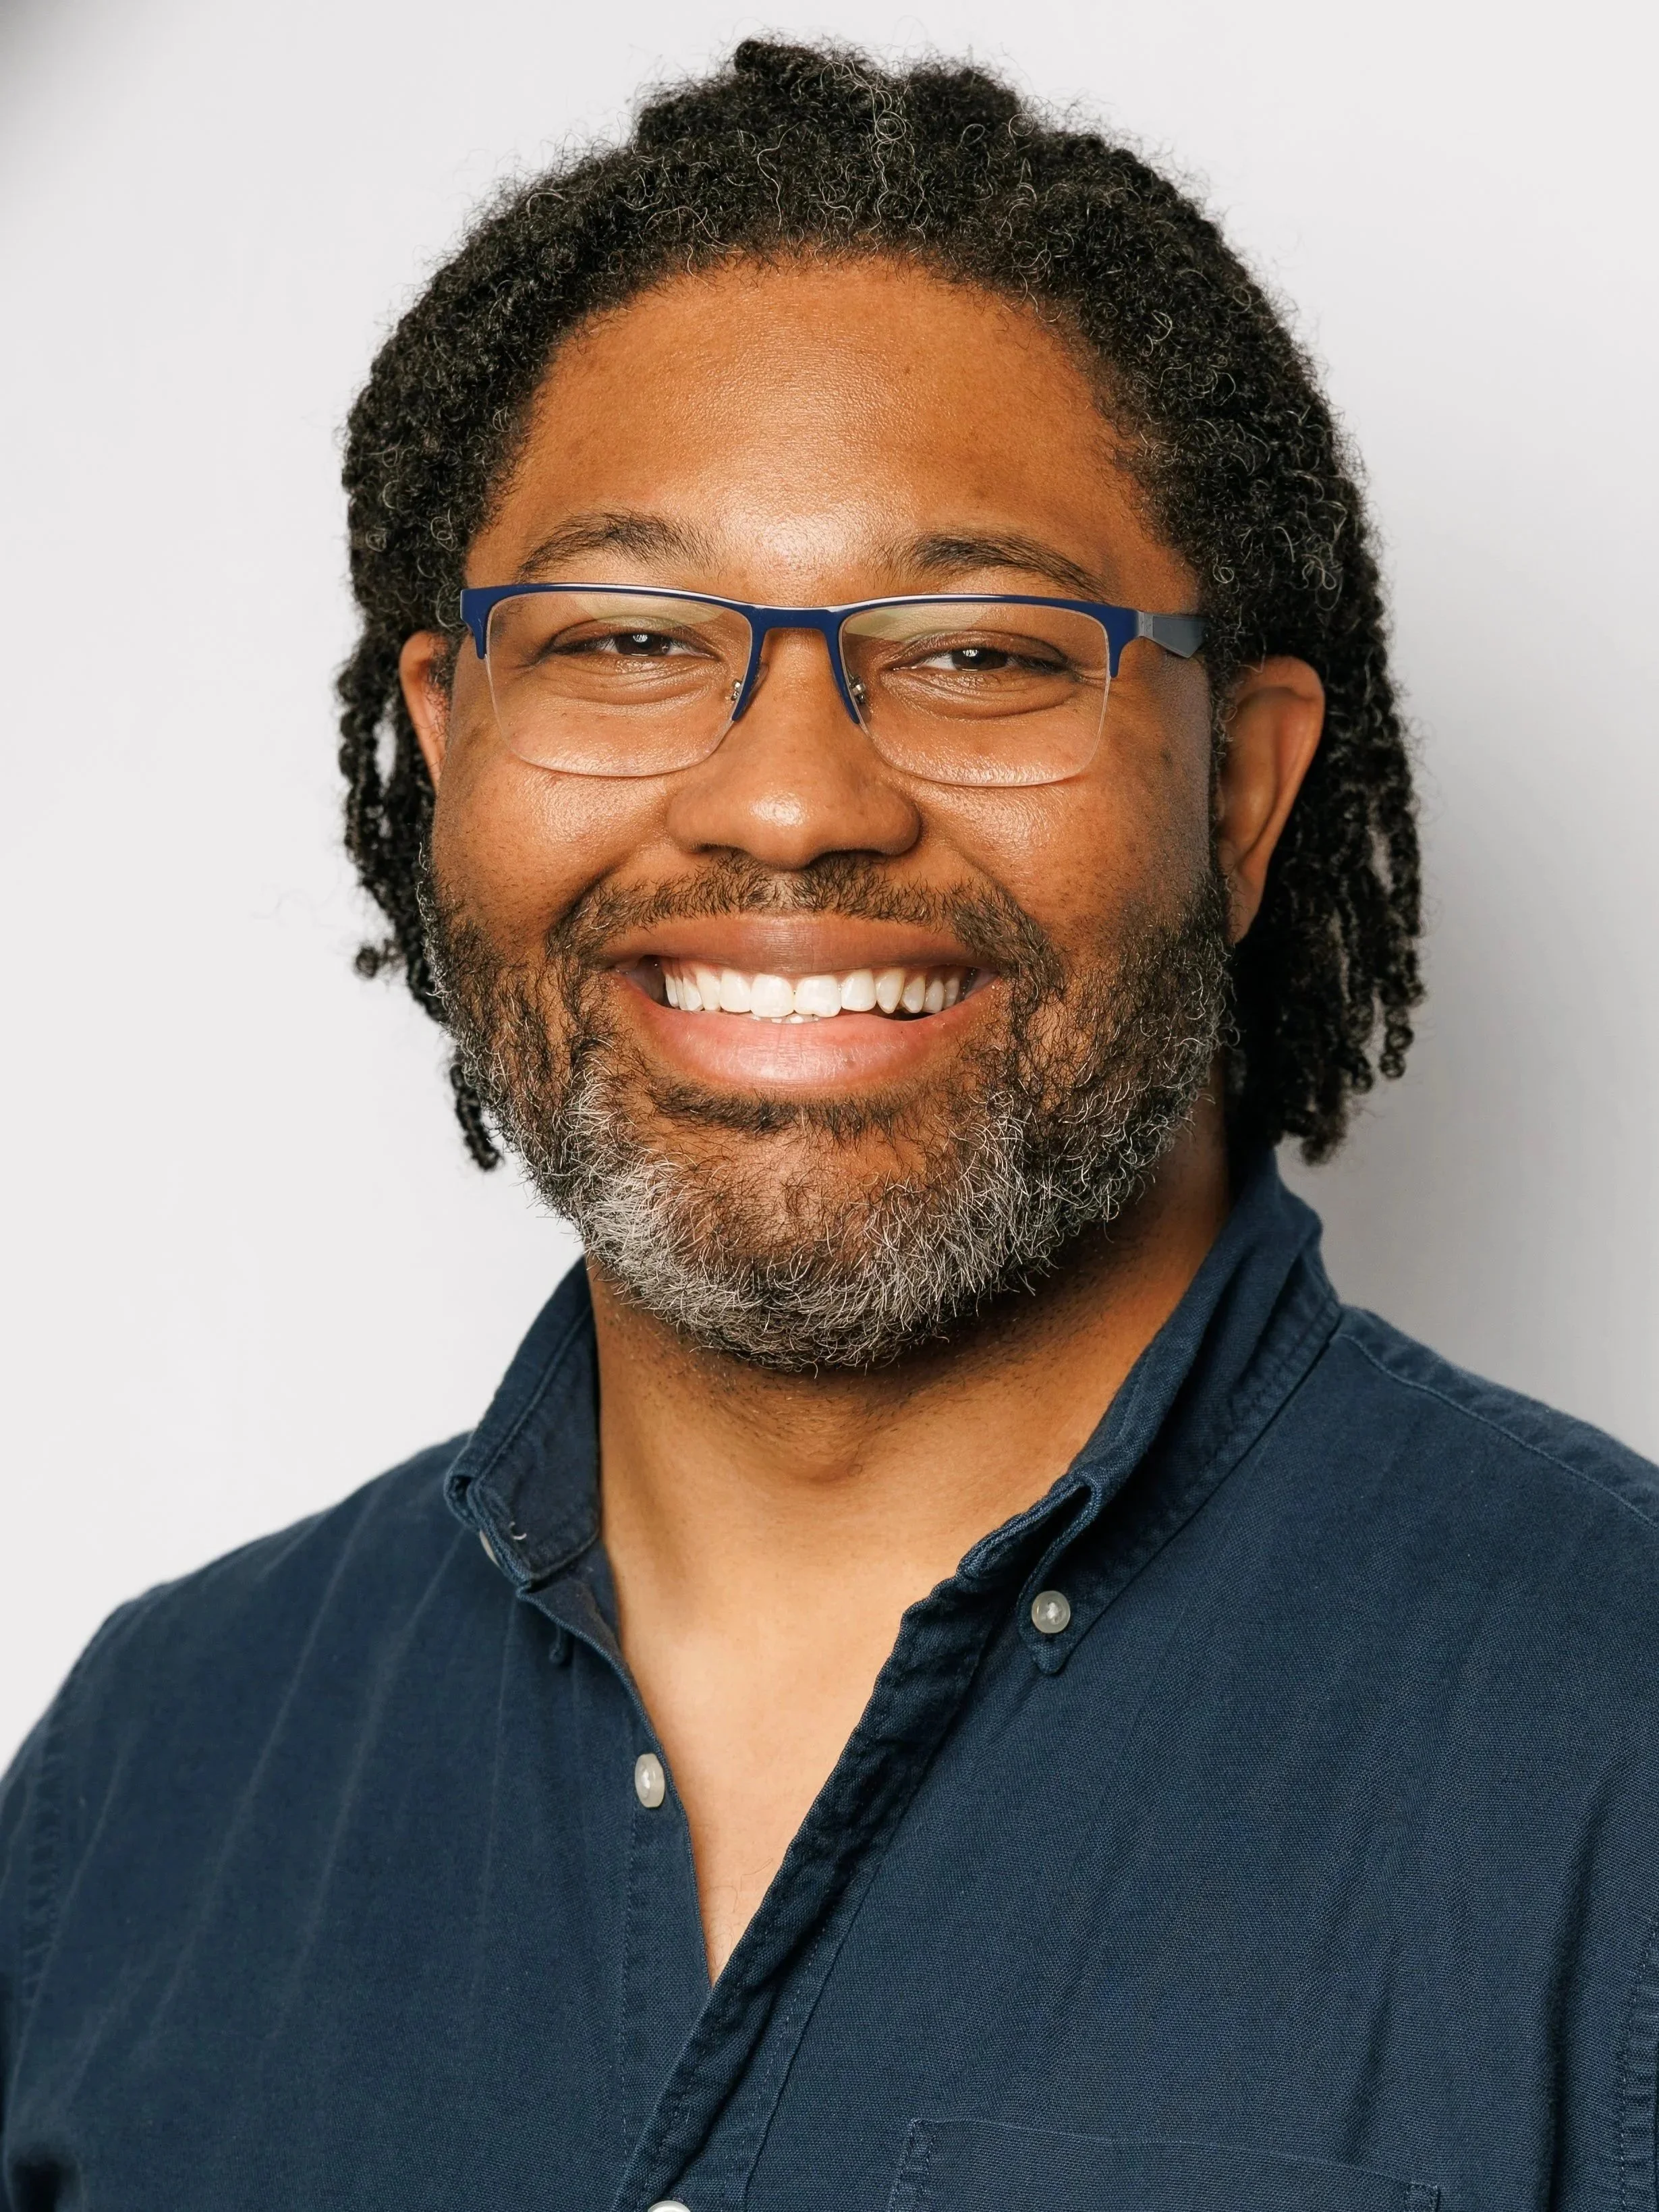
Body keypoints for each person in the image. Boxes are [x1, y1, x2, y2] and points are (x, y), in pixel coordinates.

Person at [3, 37, 1656, 2212]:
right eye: (622, 634)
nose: (787, 797)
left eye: (979, 651)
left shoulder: (1615, 1735)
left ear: (1241, 797)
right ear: (445, 744)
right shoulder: (154, 1767)